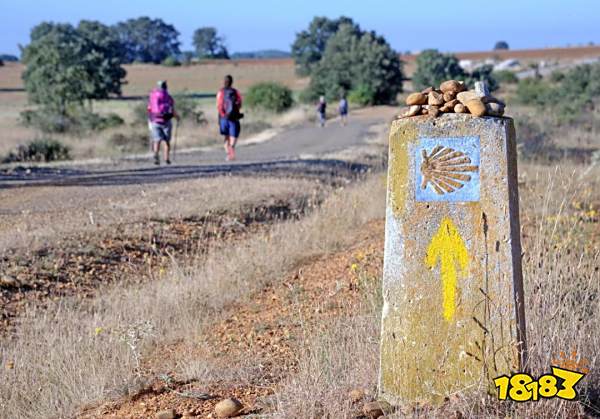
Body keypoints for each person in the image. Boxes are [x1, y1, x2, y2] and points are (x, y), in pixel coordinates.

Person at [147, 80, 178, 165]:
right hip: (166, 121)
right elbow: (172, 109)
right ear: (165, 86)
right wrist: (177, 117)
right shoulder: (168, 97)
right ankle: (166, 158)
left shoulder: (152, 96)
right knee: (167, 141)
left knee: (157, 140)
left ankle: (156, 156)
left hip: (155, 120)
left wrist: (150, 119)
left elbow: (149, 109)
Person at [216, 75, 243, 161]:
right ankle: (231, 150)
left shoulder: (221, 92)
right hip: (233, 117)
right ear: (232, 82)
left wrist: (223, 114)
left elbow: (218, 105)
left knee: (226, 136)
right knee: (233, 136)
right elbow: (240, 104)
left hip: (223, 117)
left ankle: (229, 154)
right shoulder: (236, 92)